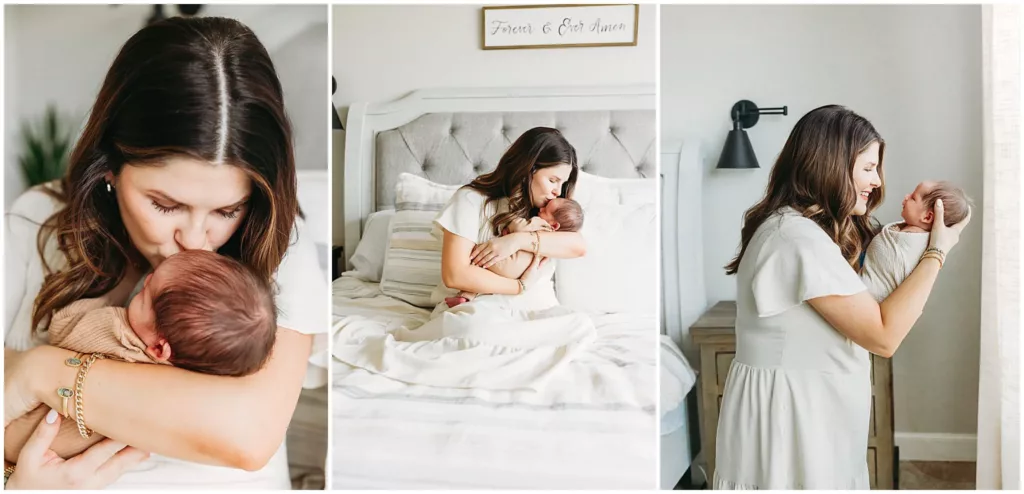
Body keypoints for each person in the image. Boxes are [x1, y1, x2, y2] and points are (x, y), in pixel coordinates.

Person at [4, 16, 325, 489]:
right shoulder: (37, 220)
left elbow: (248, 435)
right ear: (109, 167)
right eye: (165, 205)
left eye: (227, 210)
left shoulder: (275, 244)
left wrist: (37, 370)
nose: (194, 240)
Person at [715, 105, 970, 489]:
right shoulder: (798, 239)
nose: (877, 182)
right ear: (831, 164)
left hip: (804, 410)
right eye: (868, 168)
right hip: (794, 419)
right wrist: (938, 251)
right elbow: (884, 337)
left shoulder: (794, 228)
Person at [332, 127, 596, 391]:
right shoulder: (472, 200)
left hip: (537, 313)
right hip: (479, 308)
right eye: (553, 180)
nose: (557, 191)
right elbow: (455, 275)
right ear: (529, 168)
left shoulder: (553, 214)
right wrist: (519, 286)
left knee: (581, 325)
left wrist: (516, 240)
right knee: (471, 330)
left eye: (562, 184)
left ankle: (503, 350)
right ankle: (503, 353)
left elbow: (578, 246)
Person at [5, 250, 278, 463]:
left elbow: (63, 328)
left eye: (146, 295)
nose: (144, 282)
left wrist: (102, 298)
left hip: (20, 432)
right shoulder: (183, 382)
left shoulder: (119, 335)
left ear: (158, 349)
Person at [446, 196, 585, 307]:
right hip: (522, 272)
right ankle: (466, 297)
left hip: (508, 262)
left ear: (554, 225)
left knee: (477, 257)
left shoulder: (540, 224)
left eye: (545, 210)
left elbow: (519, 227)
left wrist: (511, 222)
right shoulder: (554, 241)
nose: (541, 208)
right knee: (484, 276)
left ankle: (465, 294)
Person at [861, 180, 973, 300]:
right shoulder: (904, 230)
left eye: (913, 198)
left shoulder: (912, 242)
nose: (906, 196)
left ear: (927, 217)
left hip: (871, 297)